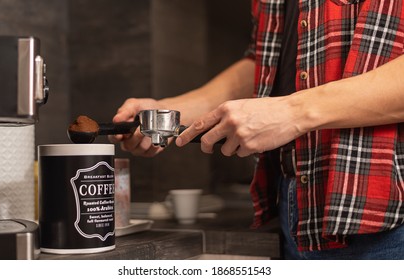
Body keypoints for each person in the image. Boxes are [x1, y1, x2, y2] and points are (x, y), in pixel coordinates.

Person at [110, 0, 404, 259]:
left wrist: (291, 112)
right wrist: (169, 113)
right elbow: (264, 63)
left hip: (388, 217)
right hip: (298, 207)